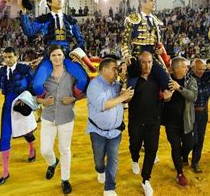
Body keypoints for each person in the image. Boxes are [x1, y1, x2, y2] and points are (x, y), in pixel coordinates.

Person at [18, 0, 96, 99]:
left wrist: (77, 52)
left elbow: (81, 40)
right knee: (36, 85)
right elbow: (29, 31)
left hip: (67, 54)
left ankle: (72, 97)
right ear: (49, 3)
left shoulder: (71, 20)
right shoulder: (43, 19)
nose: (60, 0)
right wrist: (23, 10)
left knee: (84, 80)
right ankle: (47, 102)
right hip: (50, 54)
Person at [0, 46, 36, 185]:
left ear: (16, 56)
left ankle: (31, 148)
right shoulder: (1, 72)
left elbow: (34, 85)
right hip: (7, 107)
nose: (8, 60)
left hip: (22, 104)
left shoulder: (24, 69)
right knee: (4, 137)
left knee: (27, 133)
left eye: (10, 57)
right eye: (5, 57)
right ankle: (5, 172)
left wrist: (33, 101)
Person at [86, 58, 134, 196]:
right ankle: (100, 170)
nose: (116, 72)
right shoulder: (94, 85)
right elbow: (103, 105)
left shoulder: (117, 85)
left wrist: (126, 86)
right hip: (97, 131)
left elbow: (127, 97)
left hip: (115, 131)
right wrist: (121, 97)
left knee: (113, 159)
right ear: (105, 70)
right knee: (99, 158)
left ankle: (109, 188)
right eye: (114, 69)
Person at [128, 51, 172, 196]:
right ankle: (135, 159)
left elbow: (167, 92)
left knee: (152, 149)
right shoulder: (132, 79)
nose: (147, 65)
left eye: (149, 62)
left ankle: (146, 179)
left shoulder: (157, 79)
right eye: (144, 62)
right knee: (134, 145)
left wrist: (167, 97)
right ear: (138, 63)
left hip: (153, 120)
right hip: (135, 120)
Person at [36, 45, 78, 194]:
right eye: (54, 55)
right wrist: (43, 102)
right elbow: (35, 96)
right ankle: (53, 162)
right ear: (50, 58)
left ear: (64, 56)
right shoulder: (43, 75)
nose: (57, 58)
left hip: (67, 116)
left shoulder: (72, 74)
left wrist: (74, 98)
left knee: (65, 149)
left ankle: (65, 179)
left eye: (59, 55)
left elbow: (82, 91)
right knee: (45, 150)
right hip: (48, 115)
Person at [122, 0, 171, 90]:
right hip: (137, 55)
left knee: (167, 81)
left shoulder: (155, 20)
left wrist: (160, 50)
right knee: (130, 86)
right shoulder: (133, 19)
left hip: (152, 55)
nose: (154, 3)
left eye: (154, 1)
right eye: (151, 0)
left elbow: (158, 42)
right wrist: (127, 56)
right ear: (142, 3)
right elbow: (125, 42)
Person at [183, 59, 210, 173]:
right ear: (192, 68)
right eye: (198, 69)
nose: (201, 71)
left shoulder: (204, 75)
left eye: (203, 69)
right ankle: (184, 155)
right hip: (191, 113)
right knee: (191, 140)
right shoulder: (189, 78)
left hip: (202, 112)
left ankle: (195, 162)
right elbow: (197, 94)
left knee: (200, 139)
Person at [162, 57, 197, 186]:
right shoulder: (165, 81)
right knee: (175, 147)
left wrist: (179, 88)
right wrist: (165, 99)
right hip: (171, 122)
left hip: (186, 121)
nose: (187, 69)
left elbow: (193, 96)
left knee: (189, 144)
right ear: (176, 69)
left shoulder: (190, 80)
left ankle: (182, 157)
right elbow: (159, 100)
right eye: (184, 66)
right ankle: (180, 173)